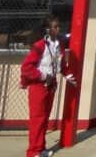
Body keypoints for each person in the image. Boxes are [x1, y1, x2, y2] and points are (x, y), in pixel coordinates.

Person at [21, 15, 76, 157]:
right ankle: (32, 151)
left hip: (51, 86)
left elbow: (61, 63)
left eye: (59, 26)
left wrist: (68, 75)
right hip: (39, 86)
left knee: (44, 119)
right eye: (55, 26)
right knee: (37, 119)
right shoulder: (40, 45)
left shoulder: (58, 45)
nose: (58, 29)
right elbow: (26, 67)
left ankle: (40, 148)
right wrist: (43, 76)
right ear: (48, 29)